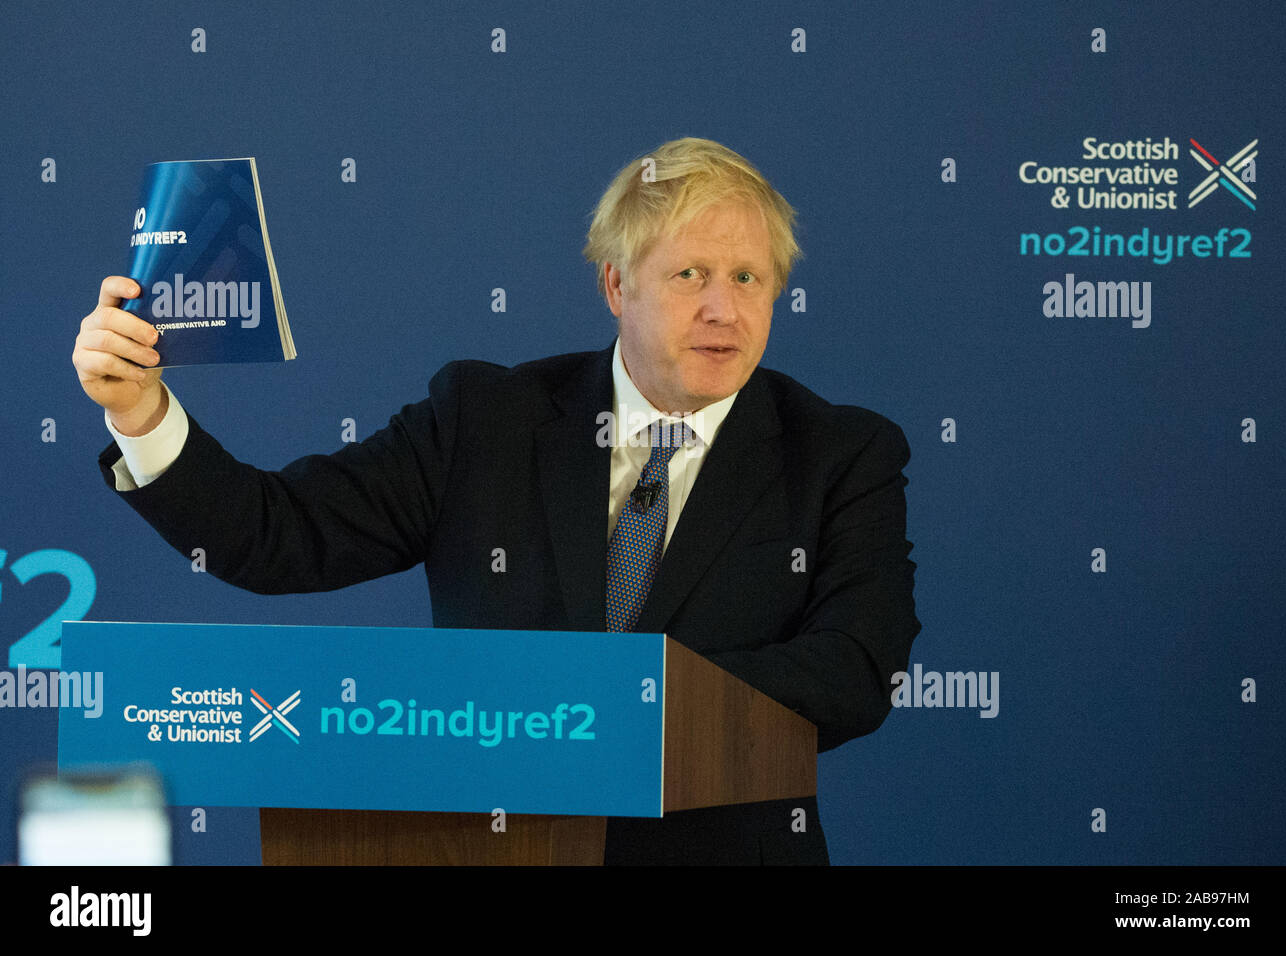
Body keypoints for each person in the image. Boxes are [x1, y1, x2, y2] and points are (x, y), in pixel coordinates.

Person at [73, 137, 921, 864]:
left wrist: (601, 711)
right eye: (690, 272)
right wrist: (140, 413)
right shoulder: (486, 419)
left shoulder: (842, 453)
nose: (721, 308)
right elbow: (279, 537)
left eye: (749, 277)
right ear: (616, 285)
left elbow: (855, 669)